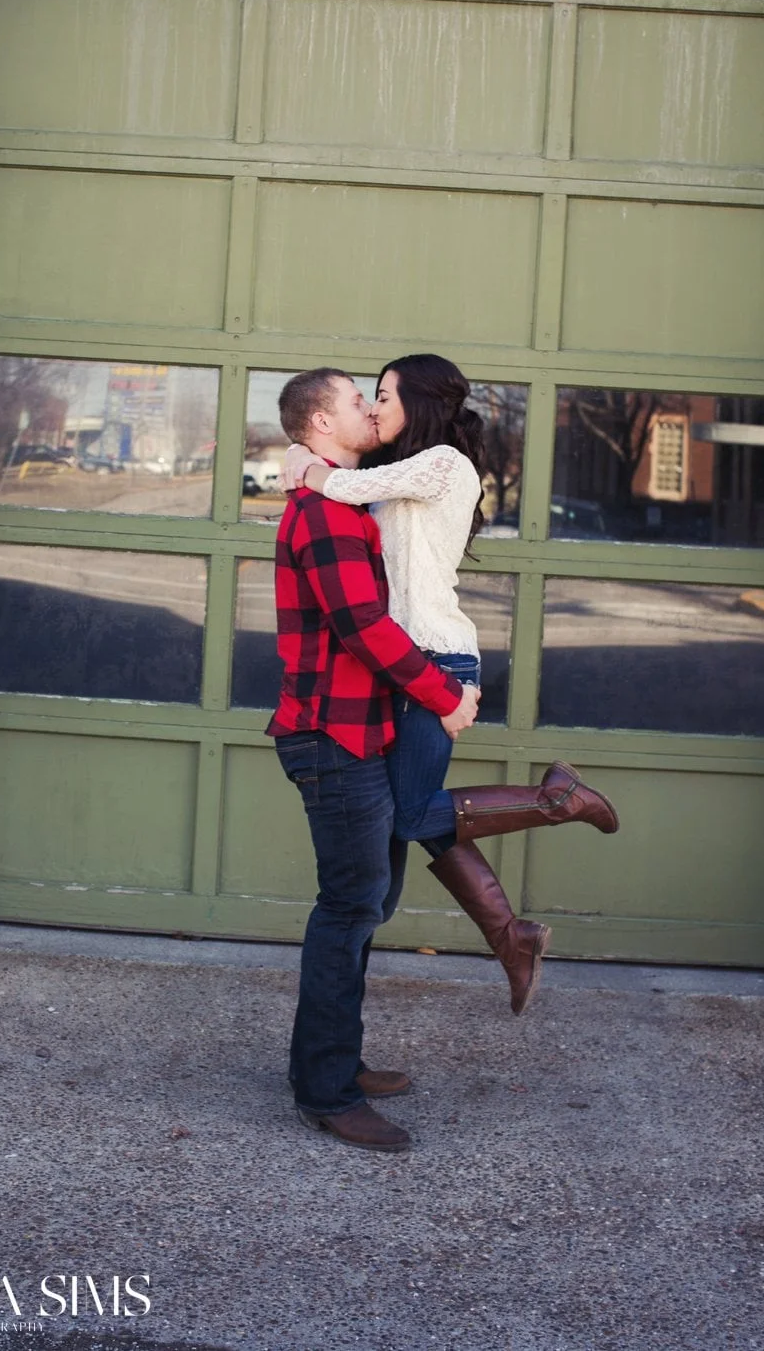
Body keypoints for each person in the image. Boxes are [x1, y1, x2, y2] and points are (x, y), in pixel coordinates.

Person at [283, 353, 619, 1019]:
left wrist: (307, 465)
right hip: (404, 666)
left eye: (382, 395)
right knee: (418, 814)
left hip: (432, 660)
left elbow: (342, 489)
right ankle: (511, 934)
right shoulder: (393, 474)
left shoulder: (443, 463)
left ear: (420, 401)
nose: (374, 407)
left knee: (410, 815)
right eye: (365, 398)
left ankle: (557, 799)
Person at [268, 367, 479, 1154]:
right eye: (359, 401)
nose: (370, 410)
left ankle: (336, 1064)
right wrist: (442, 695)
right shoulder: (323, 518)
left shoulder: (352, 500)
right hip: (333, 735)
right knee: (351, 908)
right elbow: (361, 625)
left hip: (359, 732)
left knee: (365, 907)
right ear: (322, 420)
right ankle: (326, 1091)